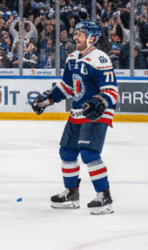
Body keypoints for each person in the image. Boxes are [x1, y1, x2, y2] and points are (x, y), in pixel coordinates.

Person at [32, 21, 119, 215]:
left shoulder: (100, 59)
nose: (75, 36)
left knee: (89, 153)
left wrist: (99, 101)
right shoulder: (72, 58)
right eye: (76, 32)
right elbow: (68, 88)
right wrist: (48, 99)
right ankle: (72, 193)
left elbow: (112, 91)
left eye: (80, 33)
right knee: (67, 152)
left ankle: (104, 196)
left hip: (96, 114)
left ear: (91, 37)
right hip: (77, 113)